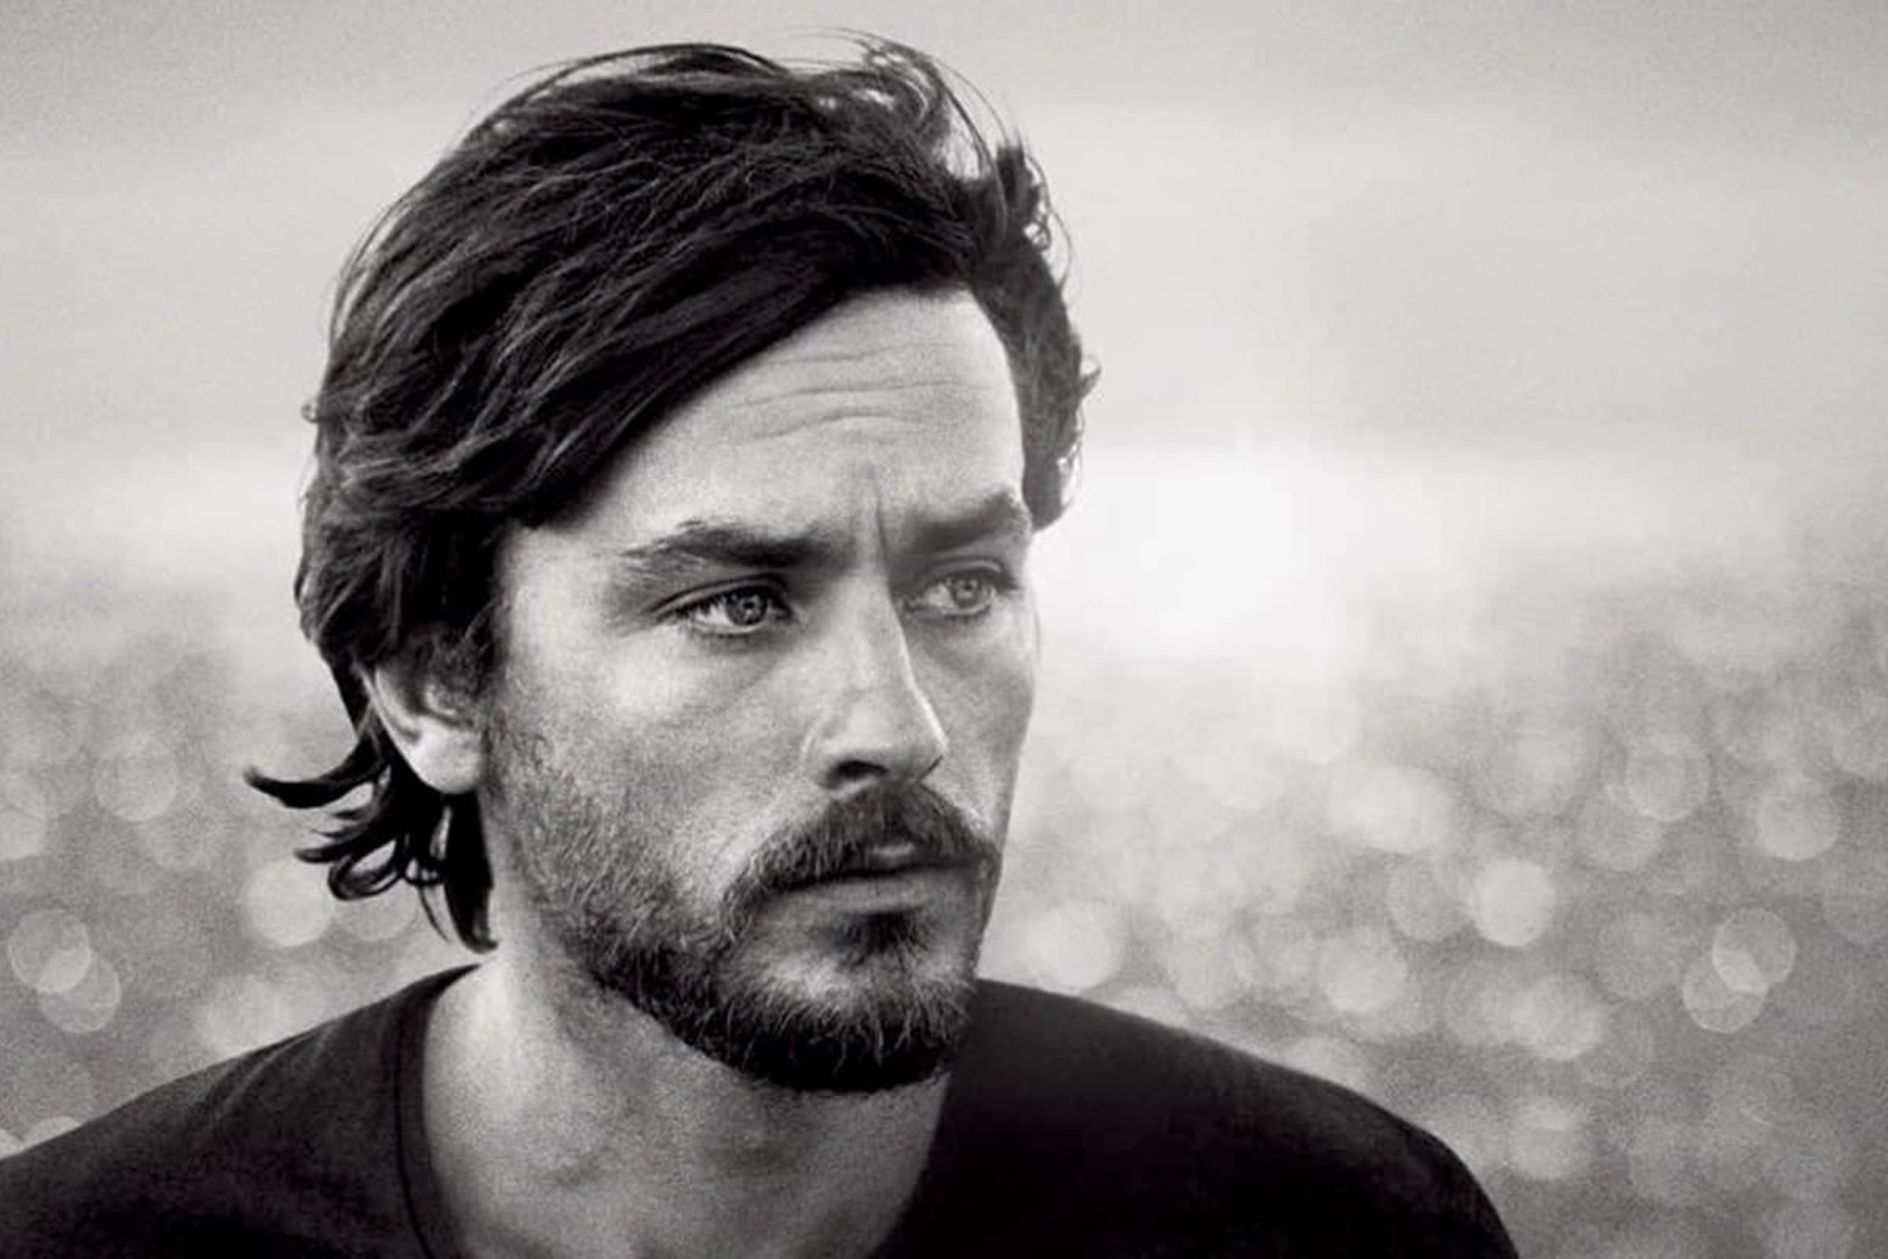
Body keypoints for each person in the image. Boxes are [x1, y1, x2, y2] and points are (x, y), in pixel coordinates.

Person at [0, 40, 1517, 1257]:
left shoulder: (1340, 1231)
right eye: (739, 603)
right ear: (433, 683)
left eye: (962, 586)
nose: (899, 727)